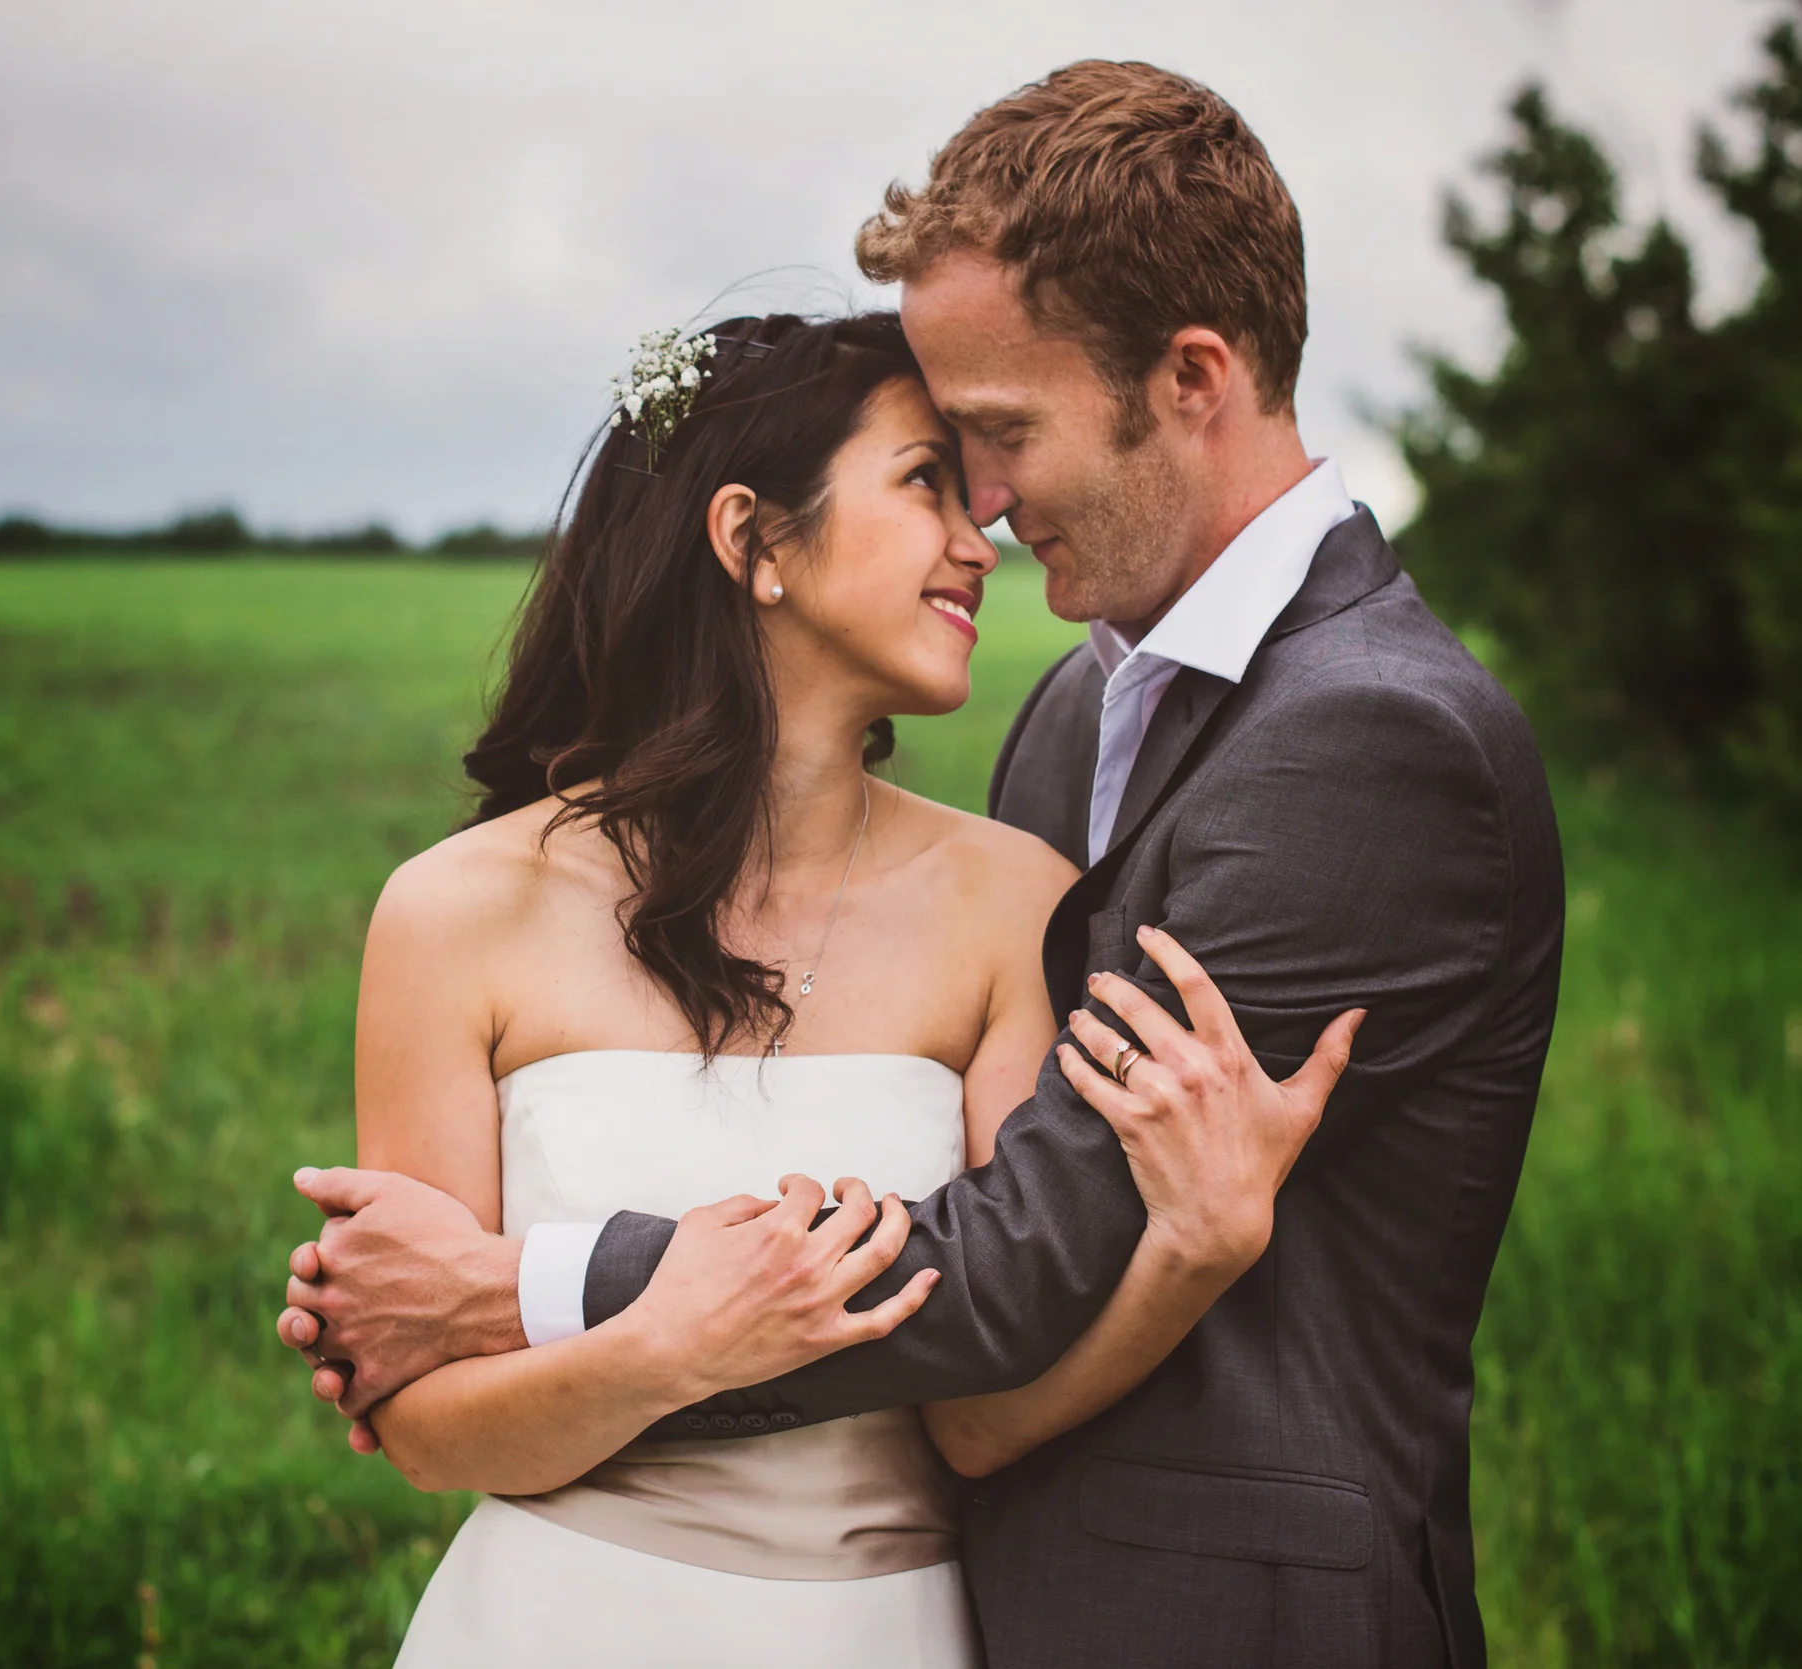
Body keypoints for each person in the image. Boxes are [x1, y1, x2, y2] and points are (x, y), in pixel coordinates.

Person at [284, 60, 1564, 1669]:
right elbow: (430, 1428)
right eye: (939, 471)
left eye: (999, 440)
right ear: (752, 541)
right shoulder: (1085, 710)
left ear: (1189, 377)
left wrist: (513, 1286)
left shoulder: (1366, 740)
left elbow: (1014, 1271)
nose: (991, 519)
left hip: (1206, 1611)